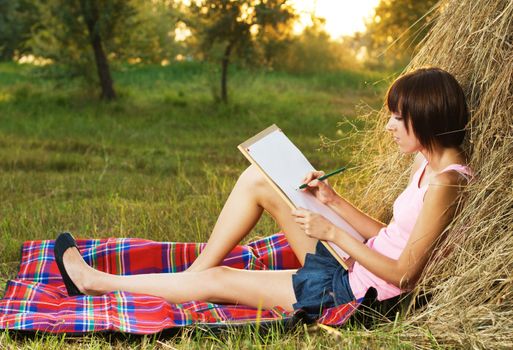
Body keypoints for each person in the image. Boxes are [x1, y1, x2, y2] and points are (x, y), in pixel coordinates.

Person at [54, 67, 472, 319]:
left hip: (353, 294)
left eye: (398, 118)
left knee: (221, 281)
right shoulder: (427, 163)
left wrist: (333, 233)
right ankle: (190, 275)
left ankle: (94, 282)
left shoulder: (446, 181)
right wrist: (330, 199)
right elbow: (395, 233)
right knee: (257, 178)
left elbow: (404, 273)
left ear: (426, 116)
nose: (389, 127)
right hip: (353, 262)